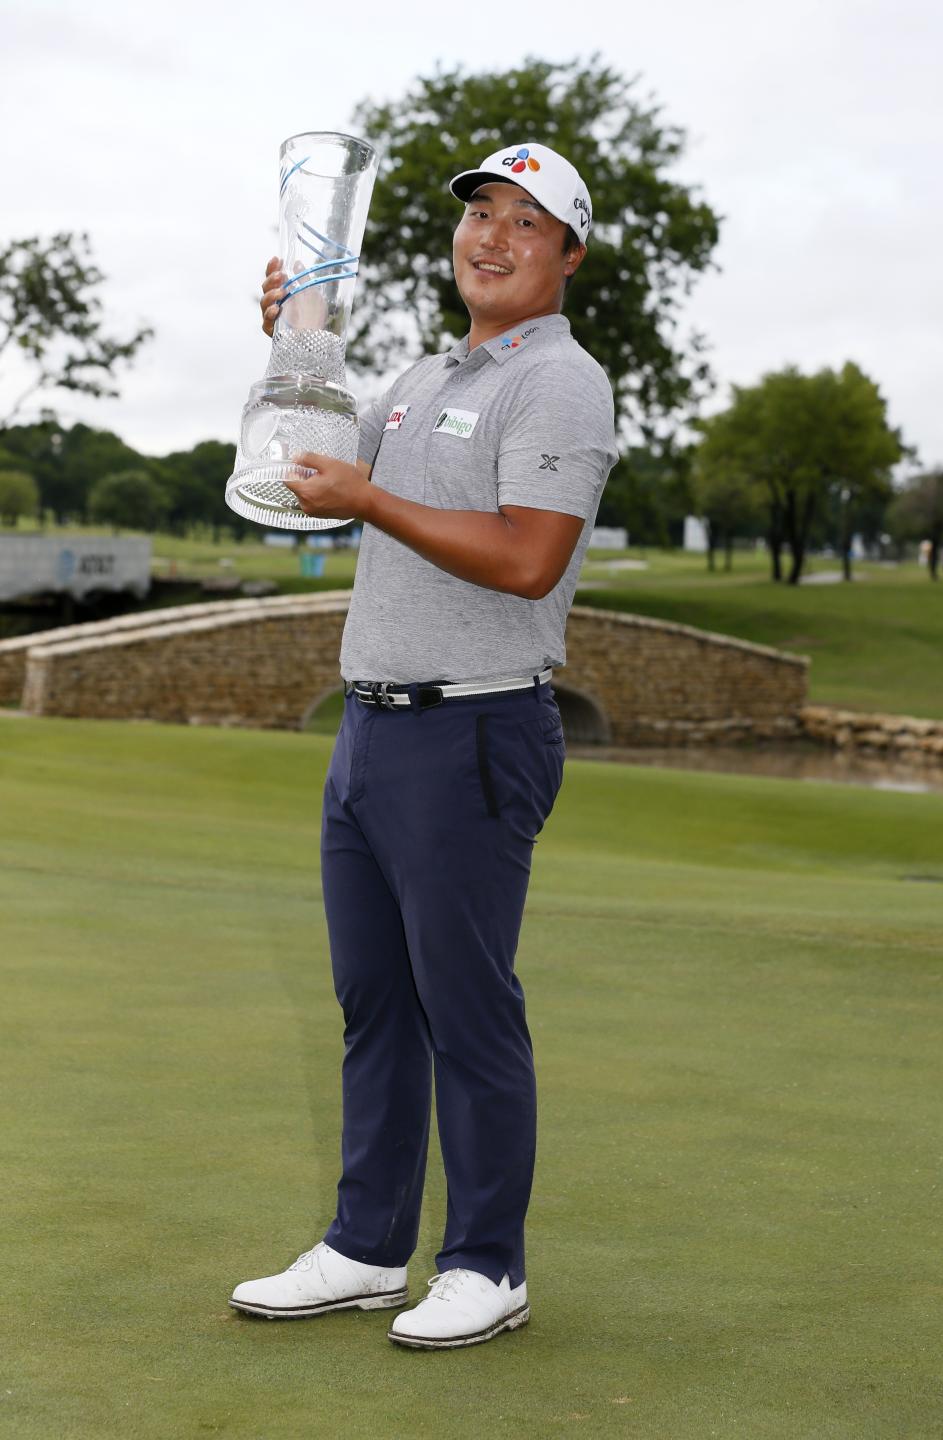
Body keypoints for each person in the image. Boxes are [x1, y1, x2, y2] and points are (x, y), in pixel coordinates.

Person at [229, 141, 618, 1350]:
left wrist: (373, 499)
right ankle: (364, 1246)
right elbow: (323, 482)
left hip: (476, 728)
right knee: (376, 1009)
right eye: (479, 216)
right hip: (373, 729)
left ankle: (488, 1264)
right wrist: (291, 348)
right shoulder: (415, 375)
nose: (489, 238)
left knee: (467, 1010)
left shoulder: (559, 382)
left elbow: (525, 556)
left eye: (523, 222)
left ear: (568, 253)